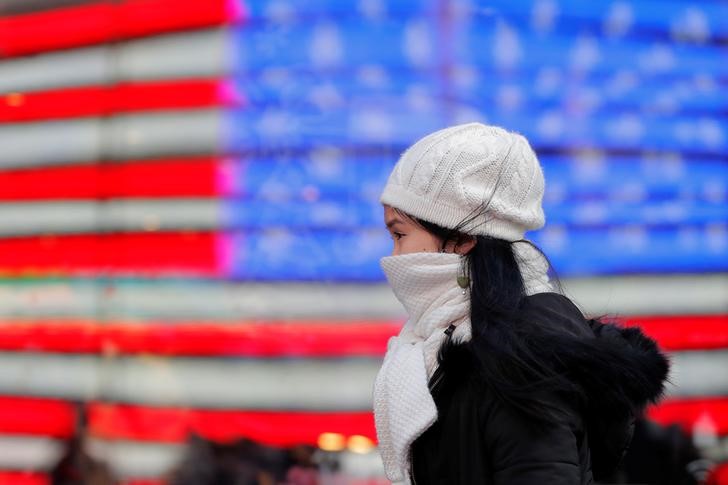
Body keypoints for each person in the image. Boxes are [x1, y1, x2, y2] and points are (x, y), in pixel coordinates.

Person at [371, 122, 671, 484]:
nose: (394, 255)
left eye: (400, 234)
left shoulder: (522, 360)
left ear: (463, 239)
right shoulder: (456, 339)